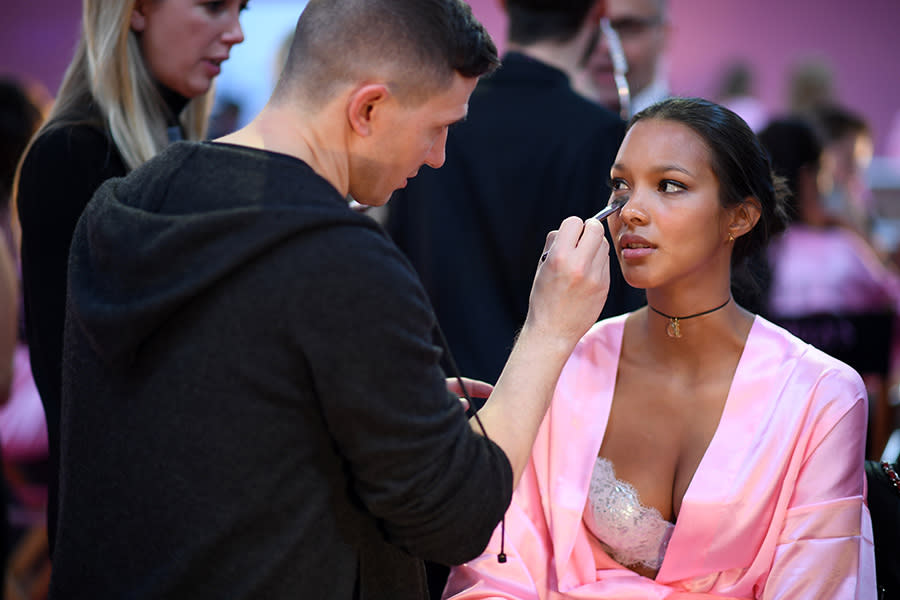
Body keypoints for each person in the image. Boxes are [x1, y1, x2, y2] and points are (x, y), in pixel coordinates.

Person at [50, 1, 614, 598]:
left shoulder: (124, 204)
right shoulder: (340, 262)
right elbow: (459, 517)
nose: (438, 156)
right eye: (437, 126)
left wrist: (388, 402)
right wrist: (550, 329)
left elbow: (212, 422)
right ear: (368, 108)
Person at [443, 97, 877, 599]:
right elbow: (500, 565)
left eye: (670, 186)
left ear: (739, 217)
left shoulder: (823, 396)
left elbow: (820, 584)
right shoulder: (573, 358)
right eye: (620, 186)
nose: (631, 212)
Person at [14, 0, 247, 553]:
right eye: (215, 6)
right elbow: (95, 388)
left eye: (242, 9)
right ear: (136, 9)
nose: (235, 33)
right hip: (128, 541)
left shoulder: (164, 148)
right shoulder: (73, 156)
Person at [386, 0, 643, 390]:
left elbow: (399, 262)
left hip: (437, 395)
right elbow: (615, 296)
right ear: (598, 15)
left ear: (504, 6)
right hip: (557, 400)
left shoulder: (441, 118)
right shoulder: (601, 136)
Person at [576, 0, 670, 116]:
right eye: (591, 28)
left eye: (627, 28)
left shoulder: (695, 130)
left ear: (665, 36)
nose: (606, 45)